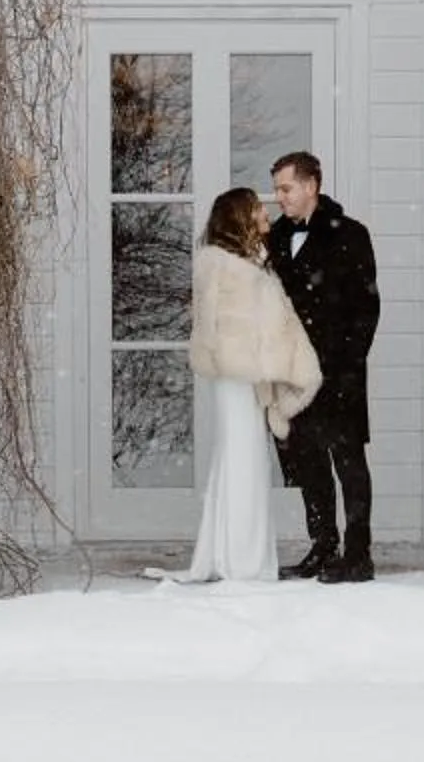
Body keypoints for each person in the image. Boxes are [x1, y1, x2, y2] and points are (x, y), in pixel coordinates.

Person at [151, 186, 321, 586]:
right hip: (240, 375)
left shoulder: (234, 264)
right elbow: (237, 330)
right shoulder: (229, 269)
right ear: (241, 217)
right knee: (243, 460)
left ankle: (233, 554)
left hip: (241, 375)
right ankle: (242, 562)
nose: (266, 213)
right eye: (258, 209)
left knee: (239, 459)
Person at [266, 151, 381, 583]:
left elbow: (366, 305)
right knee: (307, 461)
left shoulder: (350, 234)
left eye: (286, 188)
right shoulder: (275, 237)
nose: (279, 197)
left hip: (338, 369)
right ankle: (323, 545)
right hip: (291, 372)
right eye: (277, 189)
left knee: (348, 460)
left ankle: (358, 554)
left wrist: (348, 361)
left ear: (311, 185)